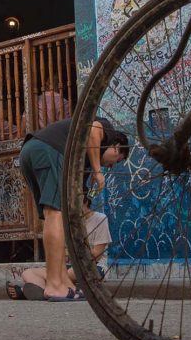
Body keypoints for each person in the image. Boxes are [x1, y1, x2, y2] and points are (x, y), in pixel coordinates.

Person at [18, 116, 126, 300]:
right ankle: (53, 285)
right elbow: (93, 129)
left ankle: (63, 282)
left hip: (30, 152)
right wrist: (98, 170)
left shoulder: (81, 162)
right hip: (49, 150)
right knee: (55, 213)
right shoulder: (107, 130)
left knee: (57, 216)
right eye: (116, 160)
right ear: (115, 146)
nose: (111, 166)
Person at [6, 194, 112, 300]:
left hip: (95, 267)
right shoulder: (70, 222)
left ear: (85, 202)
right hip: (72, 266)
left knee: (71, 272)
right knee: (27, 273)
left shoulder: (100, 219)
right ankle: (46, 291)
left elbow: (97, 254)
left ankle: (27, 290)